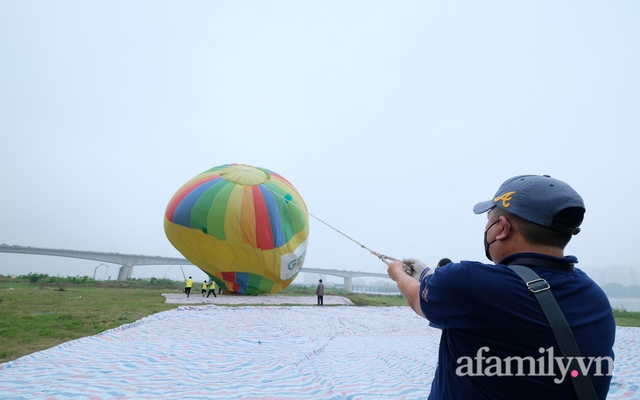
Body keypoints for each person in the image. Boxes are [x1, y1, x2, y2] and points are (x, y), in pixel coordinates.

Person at [387, 175, 615, 399]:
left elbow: (419, 299)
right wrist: (427, 274)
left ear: (502, 228)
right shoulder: (595, 296)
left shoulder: (467, 281)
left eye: (489, 219)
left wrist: (398, 272)